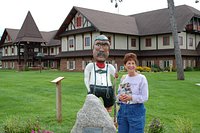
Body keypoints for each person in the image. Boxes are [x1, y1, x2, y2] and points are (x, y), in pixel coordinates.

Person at [84, 34, 118, 112]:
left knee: (108, 107)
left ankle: (106, 121)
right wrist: (89, 89)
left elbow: (115, 76)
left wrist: (116, 75)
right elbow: (86, 78)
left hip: (108, 90)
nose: (101, 50)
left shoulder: (110, 67)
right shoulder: (90, 66)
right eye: (98, 45)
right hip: (93, 89)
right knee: (91, 108)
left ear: (108, 50)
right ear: (93, 49)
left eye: (105, 46)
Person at [117, 53, 149, 133]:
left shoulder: (141, 78)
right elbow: (119, 94)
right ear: (125, 65)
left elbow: (145, 97)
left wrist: (131, 97)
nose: (131, 65)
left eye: (133, 63)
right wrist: (120, 98)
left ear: (136, 65)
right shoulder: (124, 78)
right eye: (128, 63)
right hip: (123, 111)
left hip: (136, 111)